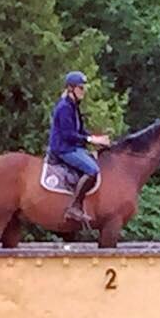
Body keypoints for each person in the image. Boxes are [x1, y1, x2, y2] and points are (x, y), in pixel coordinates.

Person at [47, 71, 111, 222]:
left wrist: (97, 138)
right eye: (81, 88)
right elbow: (68, 134)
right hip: (63, 148)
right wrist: (91, 140)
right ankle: (74, 207)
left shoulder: (74, 106)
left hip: (72, 146)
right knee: (92, 170)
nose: (84, 91)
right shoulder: (64, 108)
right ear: (71, 89)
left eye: (83, 88)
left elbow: (80, 130)